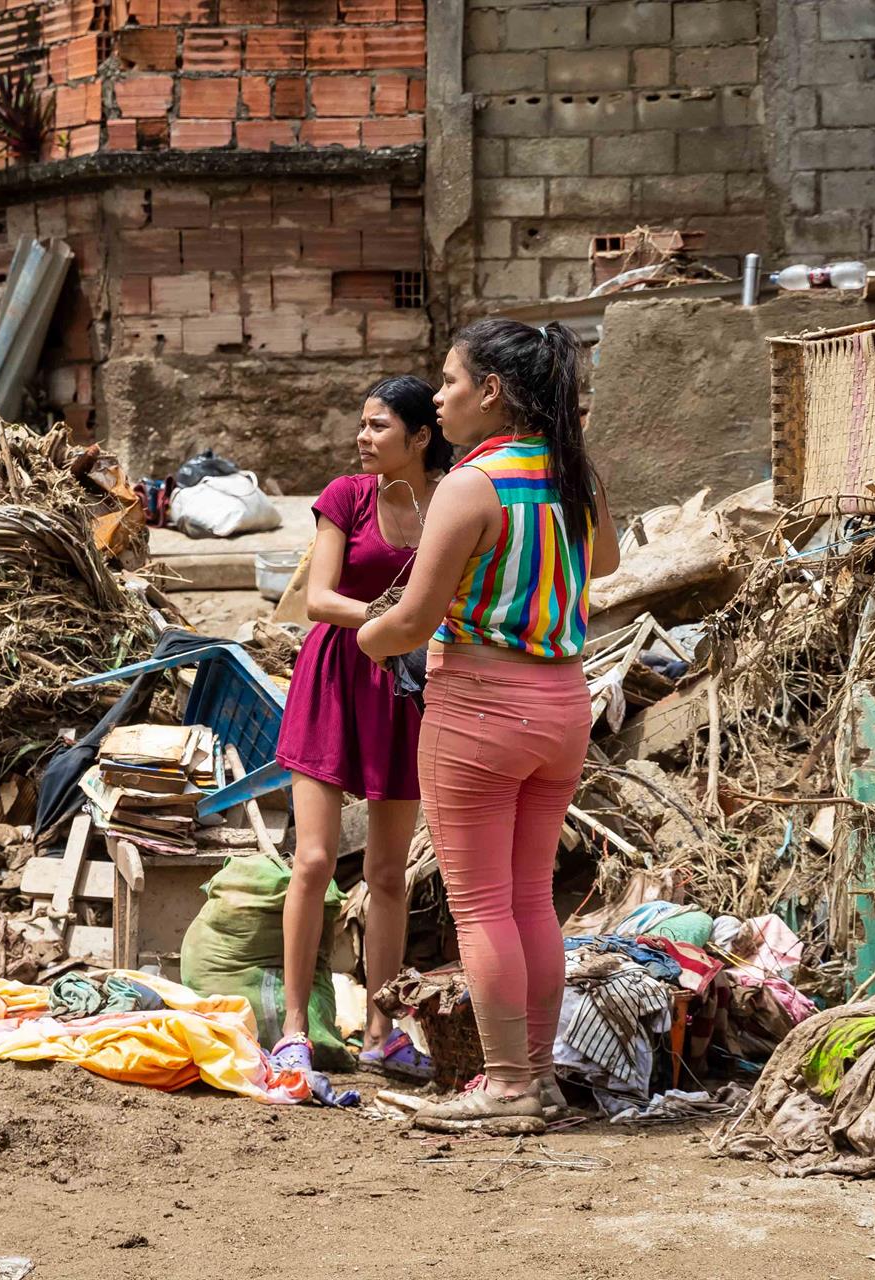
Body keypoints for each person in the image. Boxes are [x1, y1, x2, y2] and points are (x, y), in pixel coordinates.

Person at [359, 320, 621, 1130]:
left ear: (491, 392)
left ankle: (506, 1084)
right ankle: (536, 1077)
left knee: (480, 908)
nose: (438, 398)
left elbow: (410, 620)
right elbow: (605, 563)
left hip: (479, 708)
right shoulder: (573, 474)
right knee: (529, 900)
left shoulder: (471, 485)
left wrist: (363, 638)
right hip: (563, 705)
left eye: (449, 382)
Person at [270, 375, 449, 1083]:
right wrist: (393, 613)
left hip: (405, 689)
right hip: (336, 678)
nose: (363, 437)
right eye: (363, 424)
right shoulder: (346, 496)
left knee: (387, 876)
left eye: (379, 426)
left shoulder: (451, 501)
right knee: (312, 862)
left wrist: (413, 626)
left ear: (421, 437)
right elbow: (317, 597)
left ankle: (382, 1030)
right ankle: (291, 1029)